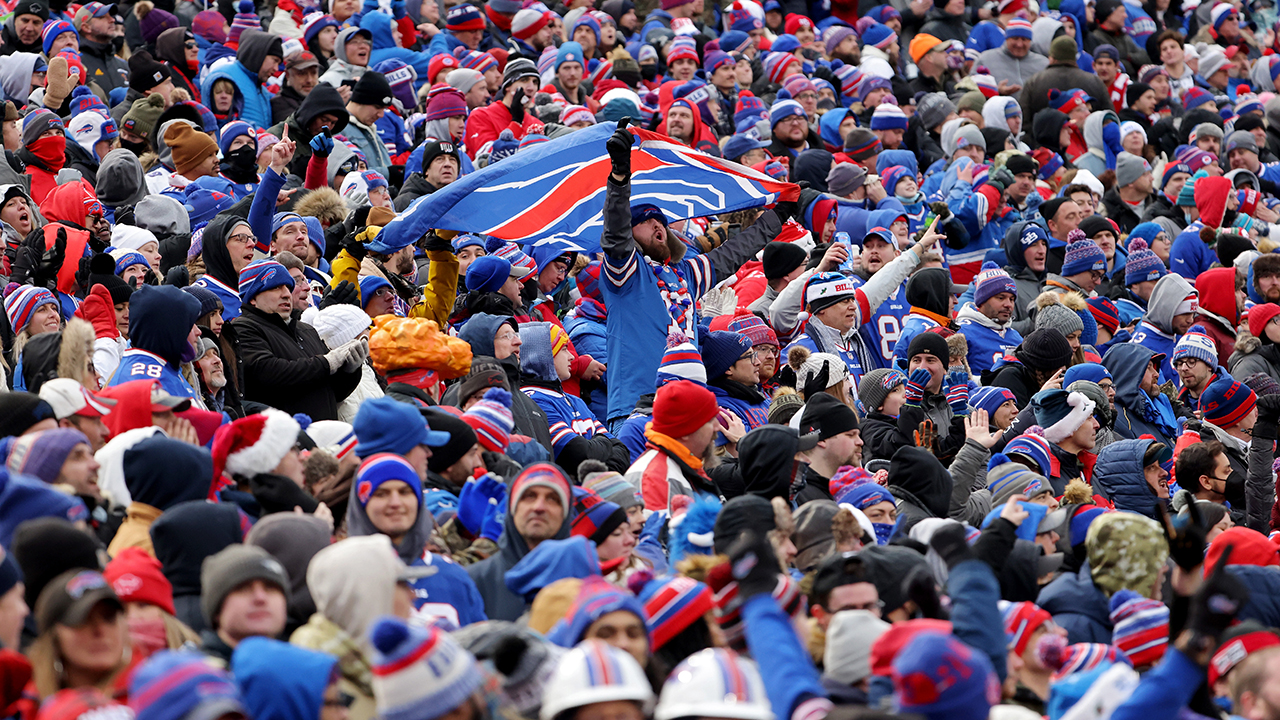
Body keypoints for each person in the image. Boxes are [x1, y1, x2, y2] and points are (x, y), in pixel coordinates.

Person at [234, 259, 365, 420]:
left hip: (324, 436)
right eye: (275, 287)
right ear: (252, 297)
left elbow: (334, 392)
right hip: (286, 439)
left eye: (288, 287)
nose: (285, 294)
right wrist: (327, 363)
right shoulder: (243, 328)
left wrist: (349, 371)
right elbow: (267, 371)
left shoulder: (306, 330)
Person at [198, 544, 291, 664]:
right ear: (217, 610)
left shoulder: (300, 667)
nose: (260, 598)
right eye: (243, 589)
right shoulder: (194, 675)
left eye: (270, 588)